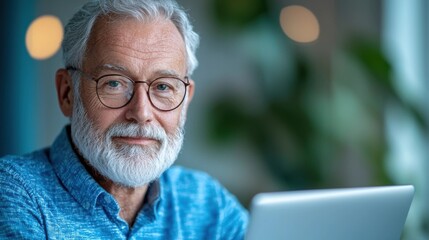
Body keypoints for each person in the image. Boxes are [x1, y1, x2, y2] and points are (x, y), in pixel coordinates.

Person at [0, 0, 248, 239]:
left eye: (163, 87)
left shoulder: (209, 203)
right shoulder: (14, 192)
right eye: (114, 83)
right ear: (67, 93)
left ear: (185, 100)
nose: (141, 113)